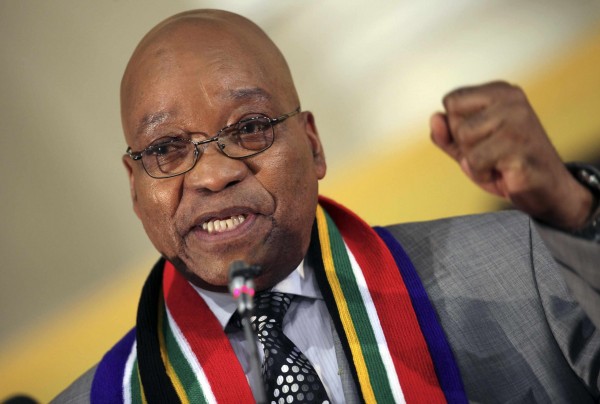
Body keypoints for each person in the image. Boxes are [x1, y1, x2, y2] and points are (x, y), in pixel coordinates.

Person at [53, 9, 600, 404]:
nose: (214, 174)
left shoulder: (526, 266)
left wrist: (575, 210)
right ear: (135, 187)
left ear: (313, 145)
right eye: (167, 149)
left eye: (250, 127)